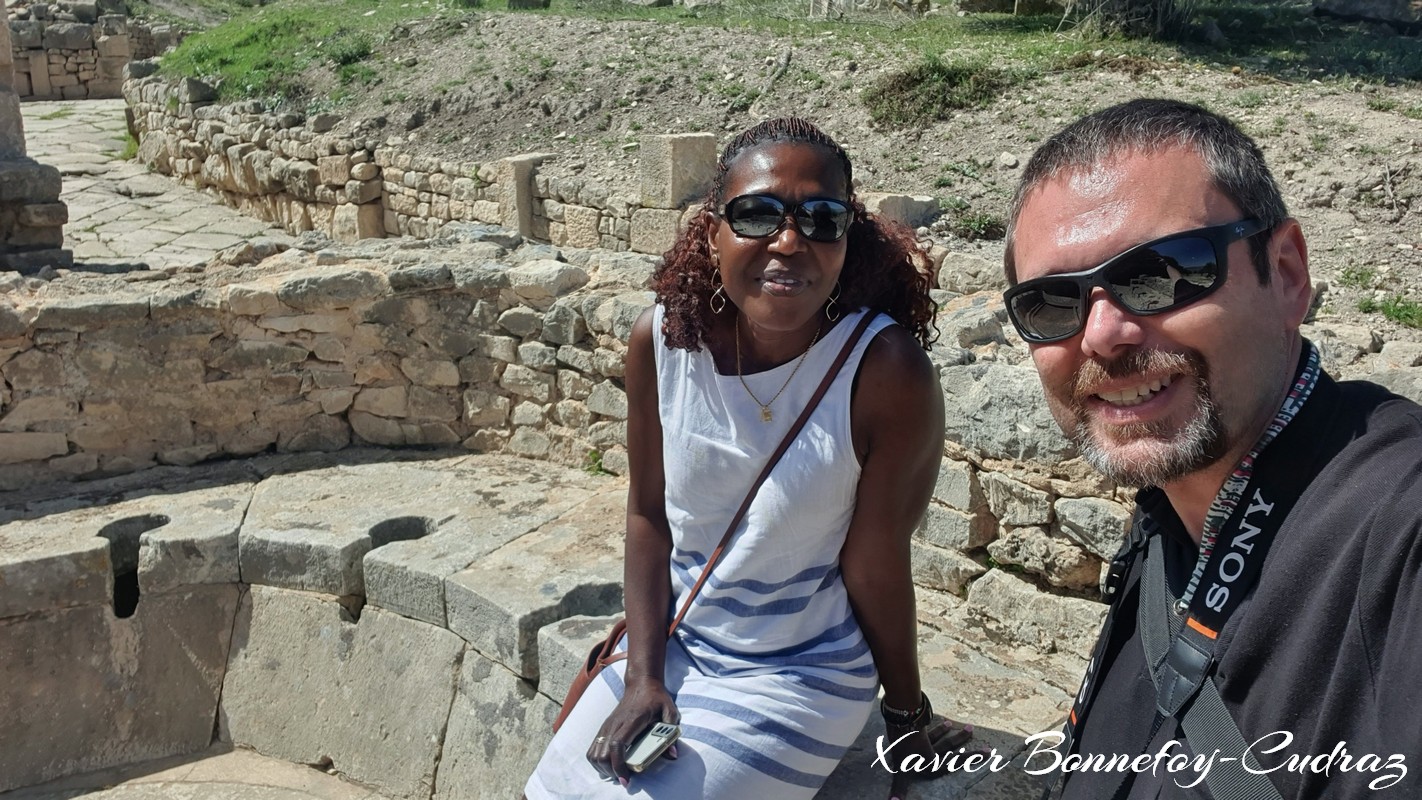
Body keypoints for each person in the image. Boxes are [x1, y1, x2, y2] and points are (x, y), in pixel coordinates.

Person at [524, 117, 973, 800]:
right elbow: (649, 515)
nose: (789, 241)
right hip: (677, 642)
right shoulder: (661, 343)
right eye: (758, 213)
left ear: (847, 241)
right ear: (713, 232)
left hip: (800, 667)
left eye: (821, 218)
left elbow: (875, 560)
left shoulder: (882, 370)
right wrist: (645, 677)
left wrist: (906, 716)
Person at [1002, 98, 1422, 799]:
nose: (1104, 335)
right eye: (1049, 303)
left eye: (1161, 273)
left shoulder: (1399, 530)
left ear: (1285, 273)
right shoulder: (1169, 513)